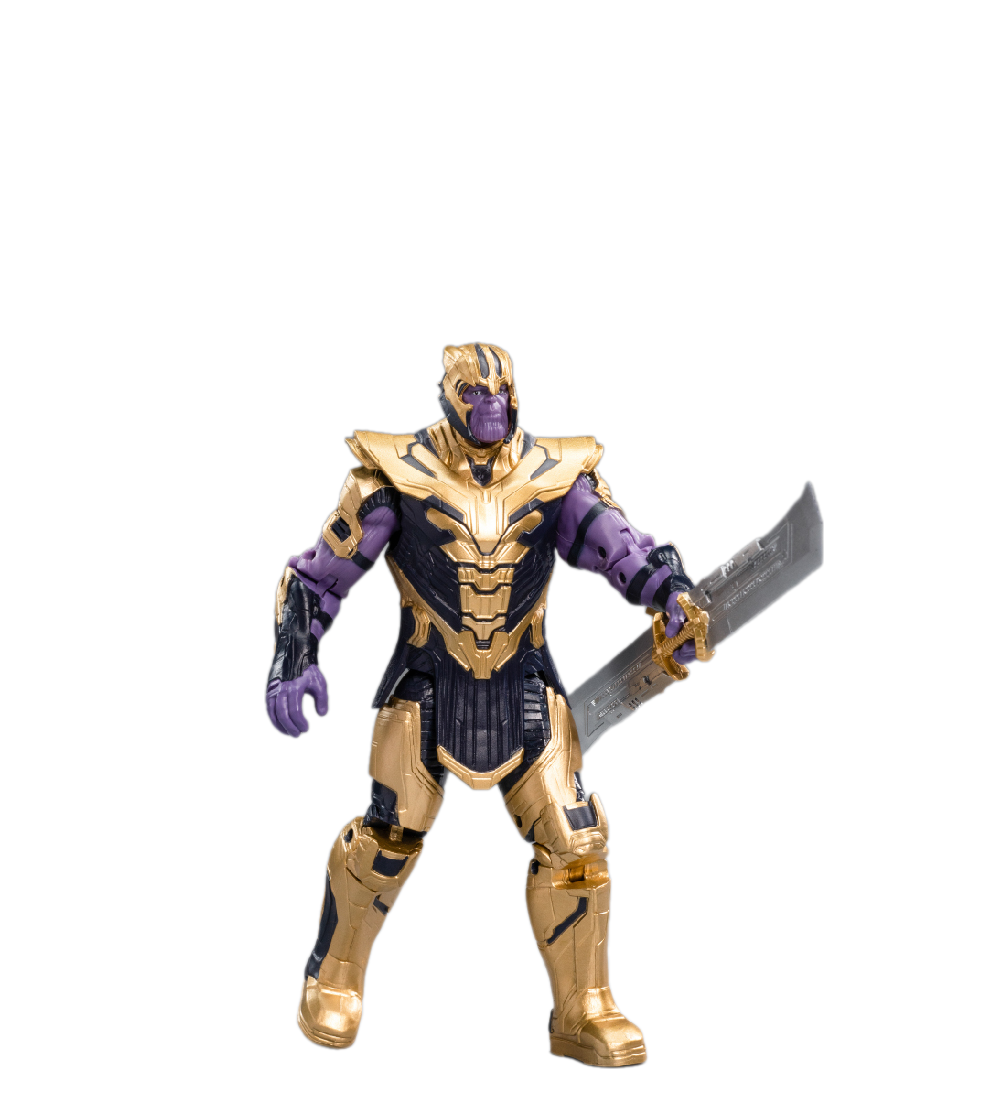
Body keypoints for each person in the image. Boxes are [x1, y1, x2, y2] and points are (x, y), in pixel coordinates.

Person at [266, 343, 696, 1067]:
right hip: (427, 685)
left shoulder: (553, 474)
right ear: (449, 396)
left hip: (526, 686)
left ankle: (584, 1008)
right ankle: (332, 976)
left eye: (501, 393)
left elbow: (621, 548)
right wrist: (294, 658)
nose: (491, 407)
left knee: (578, 844)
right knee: (388, 836)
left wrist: (671, 596)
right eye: (475, 395)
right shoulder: (394, 474)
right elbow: (315, 579)